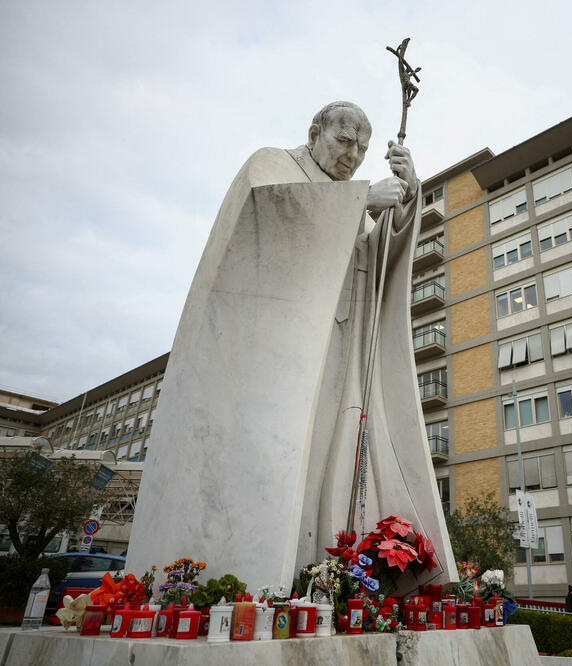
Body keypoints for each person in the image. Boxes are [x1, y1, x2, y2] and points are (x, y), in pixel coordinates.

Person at [127, 102, 456, 592]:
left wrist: (405, 203)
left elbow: (376, 264)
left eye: (362, 149)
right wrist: (362, 200)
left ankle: (323, 576)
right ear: (315, 131)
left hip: (340, 353)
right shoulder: (273, 166)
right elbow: (265, 218)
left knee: (328, 467)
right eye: (344, 142)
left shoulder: (352, 201)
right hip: (282, 362)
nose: (353, 156)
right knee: (286, 465)